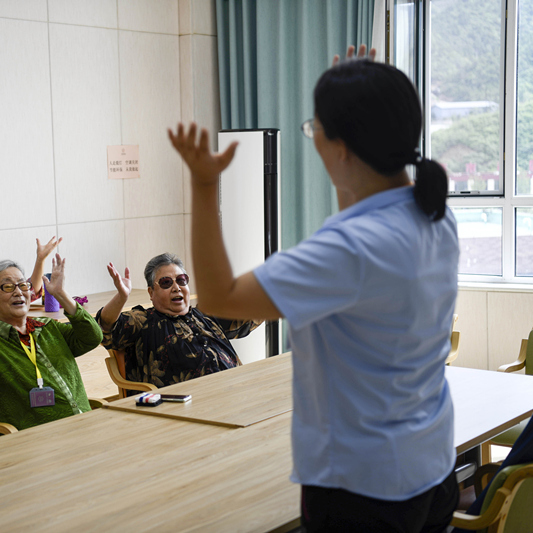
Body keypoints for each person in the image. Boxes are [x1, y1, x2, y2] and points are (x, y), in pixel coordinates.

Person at [168, 46, 460, 532]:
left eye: (315, 130)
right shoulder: (434, 214)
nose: (314, 140)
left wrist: (203, 185)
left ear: (342, 147)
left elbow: (219, 296)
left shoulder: (347, 250)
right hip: (430, 464)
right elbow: (359, 191)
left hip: (364, 488)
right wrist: (355, 92)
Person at [0, 254, 102, 431]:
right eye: (8, 286)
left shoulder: (47, 327)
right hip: (35, 440)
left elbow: (93, 337)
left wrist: (61, 294)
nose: (18, 292)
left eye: (22, 285)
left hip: (82, 424)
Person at [97, 253, 260, 390]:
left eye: (181, 280)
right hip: (183, 409)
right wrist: (121, 297)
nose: (176, 287)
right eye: (166, 283)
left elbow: (247, 315)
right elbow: (104, 329)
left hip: (236, 391)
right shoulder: (143, 321)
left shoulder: (205, 315)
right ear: (151, 292)